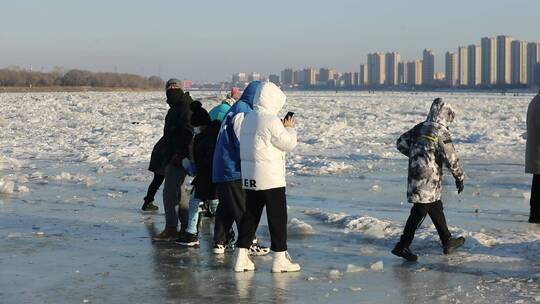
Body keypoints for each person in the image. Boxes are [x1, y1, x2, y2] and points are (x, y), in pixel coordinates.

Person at [234, 82, 300, 273]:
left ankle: (241, 256)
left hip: (251, 176)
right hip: (270, 178)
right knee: (277, 217)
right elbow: (287, 143)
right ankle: (280, 258)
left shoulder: (249, 118)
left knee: (250, 216)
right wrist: (289, 128)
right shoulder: (270, 120)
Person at [391, 98, 466, 262]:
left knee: (435, 206)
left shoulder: (419, 127)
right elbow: (450, 157)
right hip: (429, 178)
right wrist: (459, 177)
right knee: (420, 210)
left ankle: (447, 241)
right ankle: (402, 245)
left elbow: (401, 143)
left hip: (416, 175)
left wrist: (417, 157)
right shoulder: (440, 131)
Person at [212, 81, 269, 256]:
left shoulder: (236, 107)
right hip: (232, 168)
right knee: (243, 207)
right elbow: (240, 139)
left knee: (226, 207)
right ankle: (249, 242)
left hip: (222, 167)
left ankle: (220, 242)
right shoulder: (244, 111)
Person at [152, 79, 194, 241]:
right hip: (174, 156)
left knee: (170, 193)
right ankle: (185, 226)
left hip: (178, 158)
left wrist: (179, 154)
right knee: (180, 192)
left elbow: (188, 133)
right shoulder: (178, 106)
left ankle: (171, 228)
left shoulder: (183, 107)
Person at [176, 101, 221, 246]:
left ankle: (224, 236)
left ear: (201, 125)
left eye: (195, 127)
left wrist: (193, 168)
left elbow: (207, 160)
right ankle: (191, 233)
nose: (194, 130)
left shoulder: (210, 138)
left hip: (211, 177)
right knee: (197, 202)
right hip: (206, 176)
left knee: (214, 205)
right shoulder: (205, 136)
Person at [526, 63, 540, 223]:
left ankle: (535, 212)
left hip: (536, 151)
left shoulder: (535, 100)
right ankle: (535, 214)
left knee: (537, 183)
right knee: (538, 185)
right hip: (538, 151)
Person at [141, 137, 165, 211]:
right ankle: (171, 208)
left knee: (157, 181)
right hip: (164, 157)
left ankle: (148, 202)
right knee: (171, 185)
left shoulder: (172, 130)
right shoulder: (183, 131)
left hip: (159, 155)